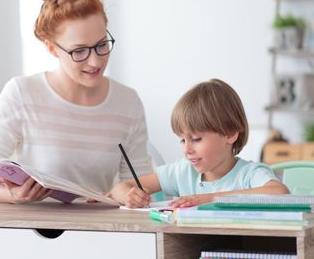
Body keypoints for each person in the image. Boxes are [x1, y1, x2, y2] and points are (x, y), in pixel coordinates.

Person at [0, 0, 152, 203]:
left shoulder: (127, 102)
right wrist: (12, 195)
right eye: (79, 51)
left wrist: (128, 195)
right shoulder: (23, 94)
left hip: (100, 230)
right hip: (33, 231)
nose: (95, 61)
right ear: (52, 49)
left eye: (101, 45)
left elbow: (140, 183)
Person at [110, 79, 290, 209]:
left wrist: (210, 198)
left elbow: (279, 192)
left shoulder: (249, 174)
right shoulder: (182, 171)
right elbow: (120, 187)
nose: (187, 150)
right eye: (182, 140)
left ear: (230, 133)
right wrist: (128, 196)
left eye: (196, 139)